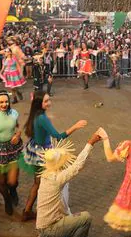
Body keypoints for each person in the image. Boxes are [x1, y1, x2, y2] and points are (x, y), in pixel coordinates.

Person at [36, 131, 105, 237]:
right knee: (85, 218)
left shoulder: (45, 175)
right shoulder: (58, 178)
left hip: (42, 224)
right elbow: (77, 165)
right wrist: (90, 143)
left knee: (70, 216)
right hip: (50, 227)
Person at [20, 91, 87, 221]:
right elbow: (58, 136)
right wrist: (75, 126)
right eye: (46, 101)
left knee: (38, 183)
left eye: (49, 100)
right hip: (43, 155)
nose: (49, 103)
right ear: (39, 103)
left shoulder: (36, 115)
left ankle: (28, 211)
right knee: (43, 184)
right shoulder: (41, 118)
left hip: (36, 150)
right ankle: (40, 211)